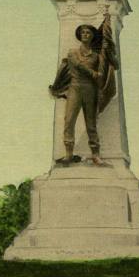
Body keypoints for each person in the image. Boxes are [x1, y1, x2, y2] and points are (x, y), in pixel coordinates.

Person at [50, 14, 118, 165]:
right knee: (69, 120)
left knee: (91, 123)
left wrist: (107, 53)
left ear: (93, 36)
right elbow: (78, 65)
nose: (85, 35)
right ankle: (68, 154)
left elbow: (115, 65)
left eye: (88, 33)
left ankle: (96, 154)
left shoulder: (96, 56)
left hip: (90, 90)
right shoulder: (72, 52)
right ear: (79, 36)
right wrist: (94, 73)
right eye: (83, 33)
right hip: (75, 88)